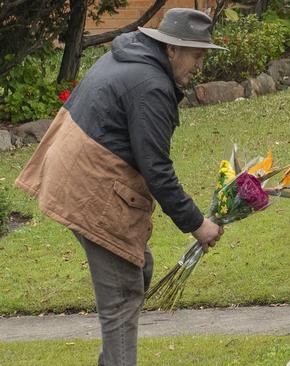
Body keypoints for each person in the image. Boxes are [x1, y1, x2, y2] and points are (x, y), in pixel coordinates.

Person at [15, 8, 227, 366]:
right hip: (88, 186)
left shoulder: (130, 56)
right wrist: (197, 224)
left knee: (139, 269)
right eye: (196, 54)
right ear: (172, 49)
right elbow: (156, 168)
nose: (200, 65)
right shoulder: (151, 85)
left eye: (204, 55)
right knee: (123, 298)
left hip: (72, 175)